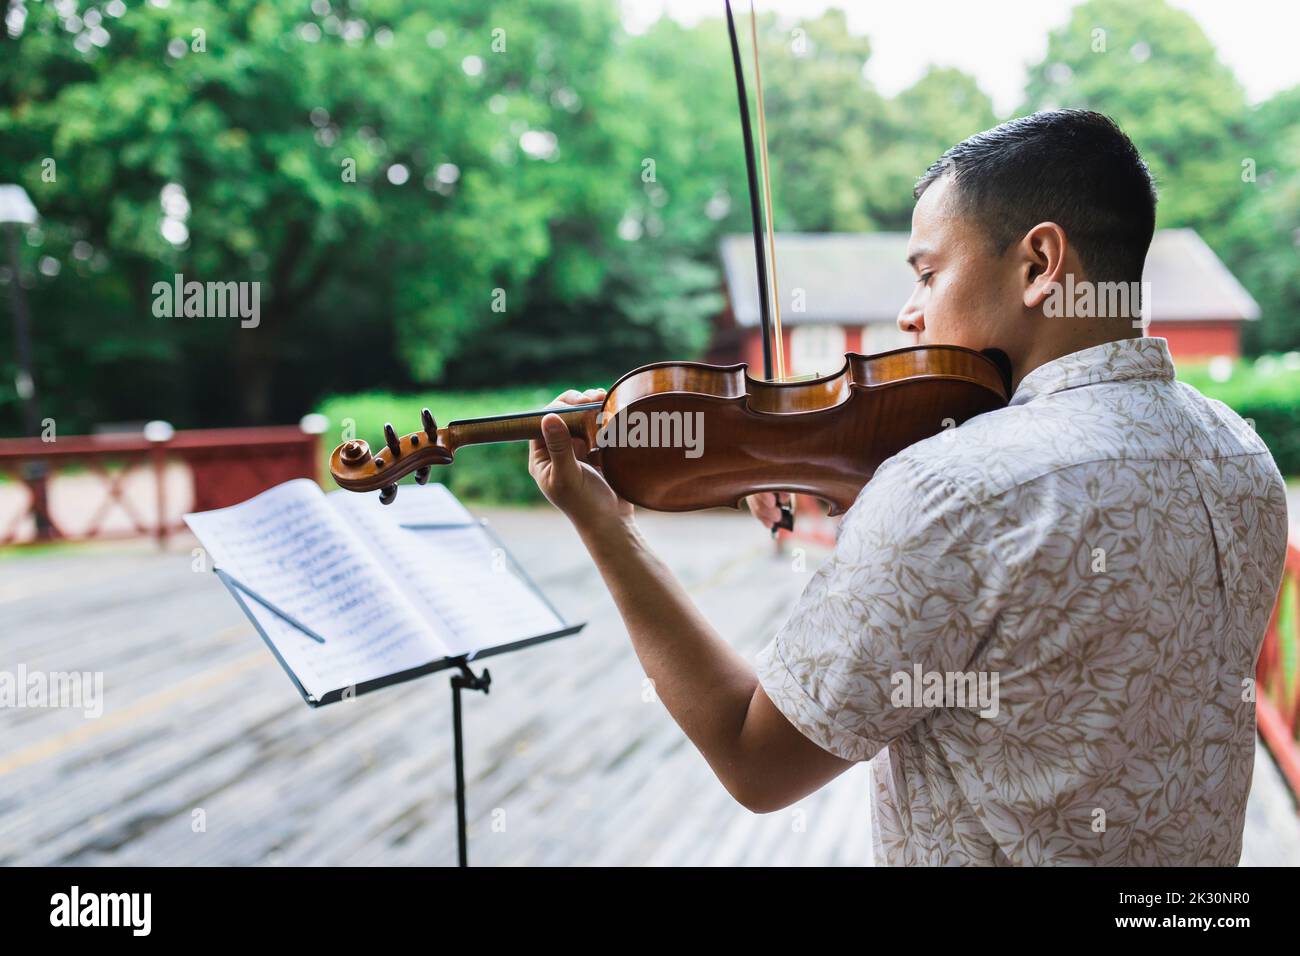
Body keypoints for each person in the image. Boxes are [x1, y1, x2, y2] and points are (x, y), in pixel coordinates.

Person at [527, 110, 1290, 865]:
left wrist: (608, 529)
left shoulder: (950, 490)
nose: (908, 312)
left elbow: (754, 761)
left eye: (929, 273)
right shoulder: (1242, 459)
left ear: (1040, 264)